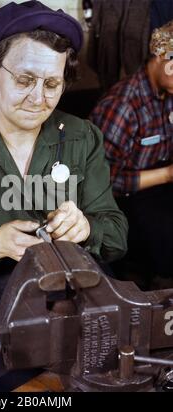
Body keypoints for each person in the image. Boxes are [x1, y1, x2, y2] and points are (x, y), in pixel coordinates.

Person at [0, 0, 128, 392]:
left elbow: (115, 234)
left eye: (52, 84)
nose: (38, 98)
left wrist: (86, 227)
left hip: (73, 286)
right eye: (25, 80)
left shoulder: (82, 137)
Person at [90, 21, 173, 288]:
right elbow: (100, 182)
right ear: (162, 58)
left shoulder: (167, 93)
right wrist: (167, 174)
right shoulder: (123, 106)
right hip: (123, 198)